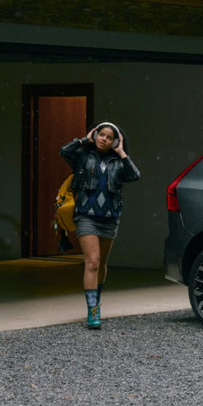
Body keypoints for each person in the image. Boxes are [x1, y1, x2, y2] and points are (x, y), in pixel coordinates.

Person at [59, 121, 141, 329]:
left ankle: (96, 299)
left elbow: (134, 176)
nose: (104, 138)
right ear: (95, 135)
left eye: (109, 137)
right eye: (101, 134)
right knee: (93, 262)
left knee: (102, 263)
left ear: (116, 141)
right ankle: (93, 311)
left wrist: (122, 152)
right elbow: (63, 151)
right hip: (86, 216)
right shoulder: (83, 156)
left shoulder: (118, 162)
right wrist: (84, 139)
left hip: (109, 218)